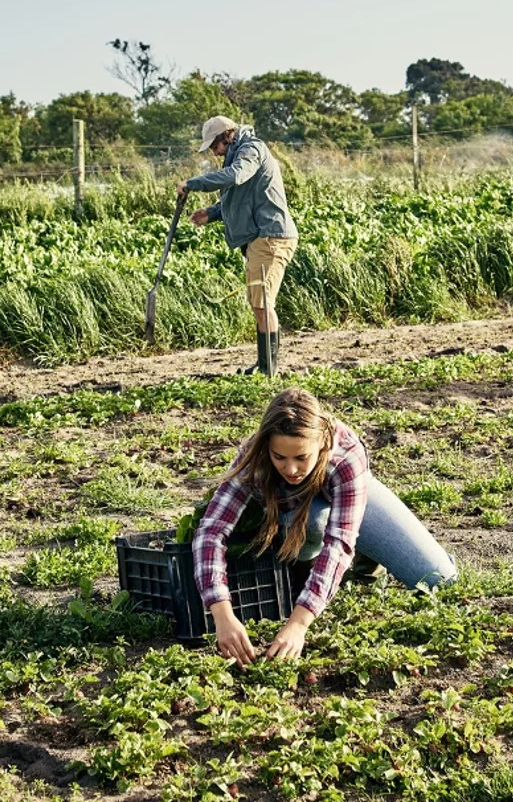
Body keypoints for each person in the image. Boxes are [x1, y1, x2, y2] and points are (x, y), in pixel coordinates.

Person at [192, 387, 458, 663]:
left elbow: (339, 543)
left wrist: (299, 624)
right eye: (279, 458)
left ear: (321, 443)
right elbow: (211, 531)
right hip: (291, 514)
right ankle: (304, 569)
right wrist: (221, 613)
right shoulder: (255, 457)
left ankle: (368, 561)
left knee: (439, 580)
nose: (291, 469)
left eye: (301, 457)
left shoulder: (345, 455)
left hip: (346, 500)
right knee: (314, 521)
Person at [180, 115, 299, 376]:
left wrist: (193, 183)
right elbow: (237, 197)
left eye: (215, 146)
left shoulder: (251, 150)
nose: (214, 152)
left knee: (263, 303)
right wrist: (210, 214)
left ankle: (268, 370)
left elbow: (235, 177)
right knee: (258, 302)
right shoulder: (236, 155)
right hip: (260, 238)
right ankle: (263, 366)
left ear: (228, 135)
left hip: (270, 236)